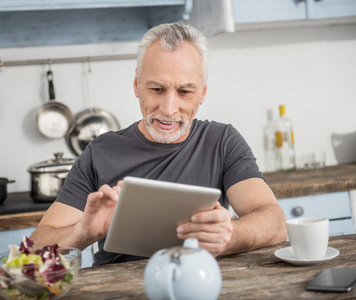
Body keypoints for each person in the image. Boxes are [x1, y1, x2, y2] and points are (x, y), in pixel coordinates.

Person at [30, 23, 287, 265]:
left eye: (185, 92)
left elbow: (275, 223)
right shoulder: (100, 152)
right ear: (137, 85)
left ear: (202, 94)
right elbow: (32, 251)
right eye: (157, 89)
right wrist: (83, 232)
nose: (168, 109)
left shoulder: (223, 142)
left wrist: (227, 234)